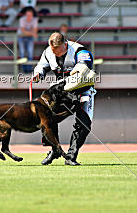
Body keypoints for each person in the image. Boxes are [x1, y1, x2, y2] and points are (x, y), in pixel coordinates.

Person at [32, 32, 96, 166]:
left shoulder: (80, 50)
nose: (55, 54)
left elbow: (85, 65)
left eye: (58, 51)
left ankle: (71, 156)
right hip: (62, 93)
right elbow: (41, 65)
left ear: (65, 44)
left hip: (83, 91)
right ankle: (55, 150)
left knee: (84, 124)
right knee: (47, 117)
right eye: (53, 51)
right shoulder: (48, 52)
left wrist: (76, 72)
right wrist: (38, 73)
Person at [18, 8, 38, 73]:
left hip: (29, 38)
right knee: (22, 53)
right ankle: (24, 69)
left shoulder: (35, 20)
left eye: (30, 15)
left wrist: (31, 33)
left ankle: (29, 69)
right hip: (21, 37)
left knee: (30, 53)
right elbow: (23, 31)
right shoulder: (22, 19)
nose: (28, 17)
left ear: (32, 15)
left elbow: (35, 30)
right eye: (27, 15)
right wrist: (32, 33)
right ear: (25, 15)